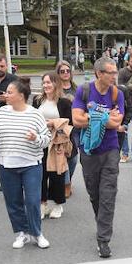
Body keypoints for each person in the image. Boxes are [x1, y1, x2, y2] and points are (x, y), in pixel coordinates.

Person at [0, 78, 52, 249]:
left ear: (21, 95)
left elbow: (47, 139)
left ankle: (37, 233)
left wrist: (36, 138)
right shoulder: (2, 112)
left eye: (10, 92)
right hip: (7, 166)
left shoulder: (35, 114)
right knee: (13, 201)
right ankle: (21, 233)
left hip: (31, 164)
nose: (6, 95)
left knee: (32, 201)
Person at [72, 57, 126, 258]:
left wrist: (92, 116)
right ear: (98, 74)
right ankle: (101, 219)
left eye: (115, 72)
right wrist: (104, 117)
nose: (114, 76)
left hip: (111, 149)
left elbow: (116, 122)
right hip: (88, 151)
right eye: (110, 73)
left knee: (108, 195)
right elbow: (76, 120)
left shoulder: (117, 94)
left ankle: (103, 240)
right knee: (94, 193)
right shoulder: (84, 91)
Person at [33, 71, 72, 220]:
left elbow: (70, 123)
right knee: (40, 175)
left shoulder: (64, 102)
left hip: (57, 144)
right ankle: (42, 204)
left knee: (57, 175)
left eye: (49, 82)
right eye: (44, 83)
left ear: (56, 83)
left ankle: (58, 204)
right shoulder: (37, 101)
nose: (46, 85)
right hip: (39, 142)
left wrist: (52, 123)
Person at [54, 59, 79, 196]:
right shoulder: (55, 89)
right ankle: (65, 184)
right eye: (62, 71)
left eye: (67, 71)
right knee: (62, 155)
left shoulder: (76, 88)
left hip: (75, 126)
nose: (65, 73)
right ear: (58, 73)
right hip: (61, 127)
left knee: (73, 157)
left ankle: (67, 179)